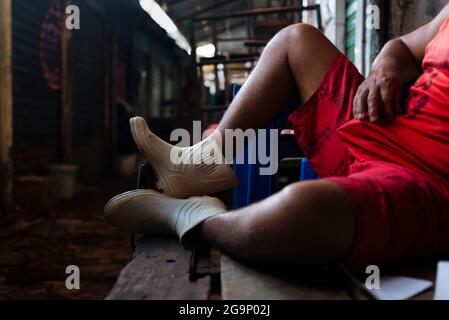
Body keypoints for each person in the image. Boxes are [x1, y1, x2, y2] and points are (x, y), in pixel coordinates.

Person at [105, 5, 449, 270]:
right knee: (295, 40)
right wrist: (384, 67)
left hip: (423, 181)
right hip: (378, 121)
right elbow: (403, 45)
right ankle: (200, 165)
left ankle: (193, 218)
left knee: (305, 212)